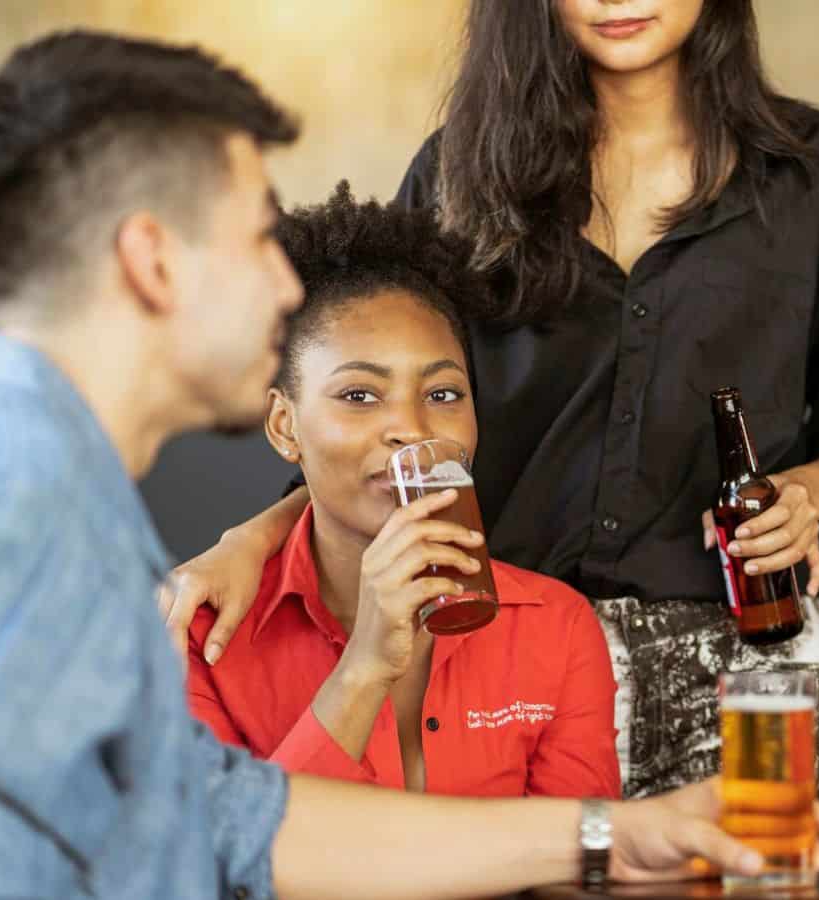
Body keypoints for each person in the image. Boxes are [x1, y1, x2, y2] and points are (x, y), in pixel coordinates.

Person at [0, 30, 819, 899]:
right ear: (153, 260)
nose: (288, 287)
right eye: (259, 237)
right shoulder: (15, 507)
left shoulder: (35, 475)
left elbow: (225, 821)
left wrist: (609, 833)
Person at [162, 0, 819, 808]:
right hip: (505, 652)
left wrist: (811, 491)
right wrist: (254, 537)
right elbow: (389, 419)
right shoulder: (459, 171)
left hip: (745, 661)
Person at [185, 182, 619, 798]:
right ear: (285, 426)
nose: (412, 431)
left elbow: (574, 867)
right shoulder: (201, 638)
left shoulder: (556, 627)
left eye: (443, 395)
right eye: (360, 396)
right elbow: (229, 874)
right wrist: (363, 669)